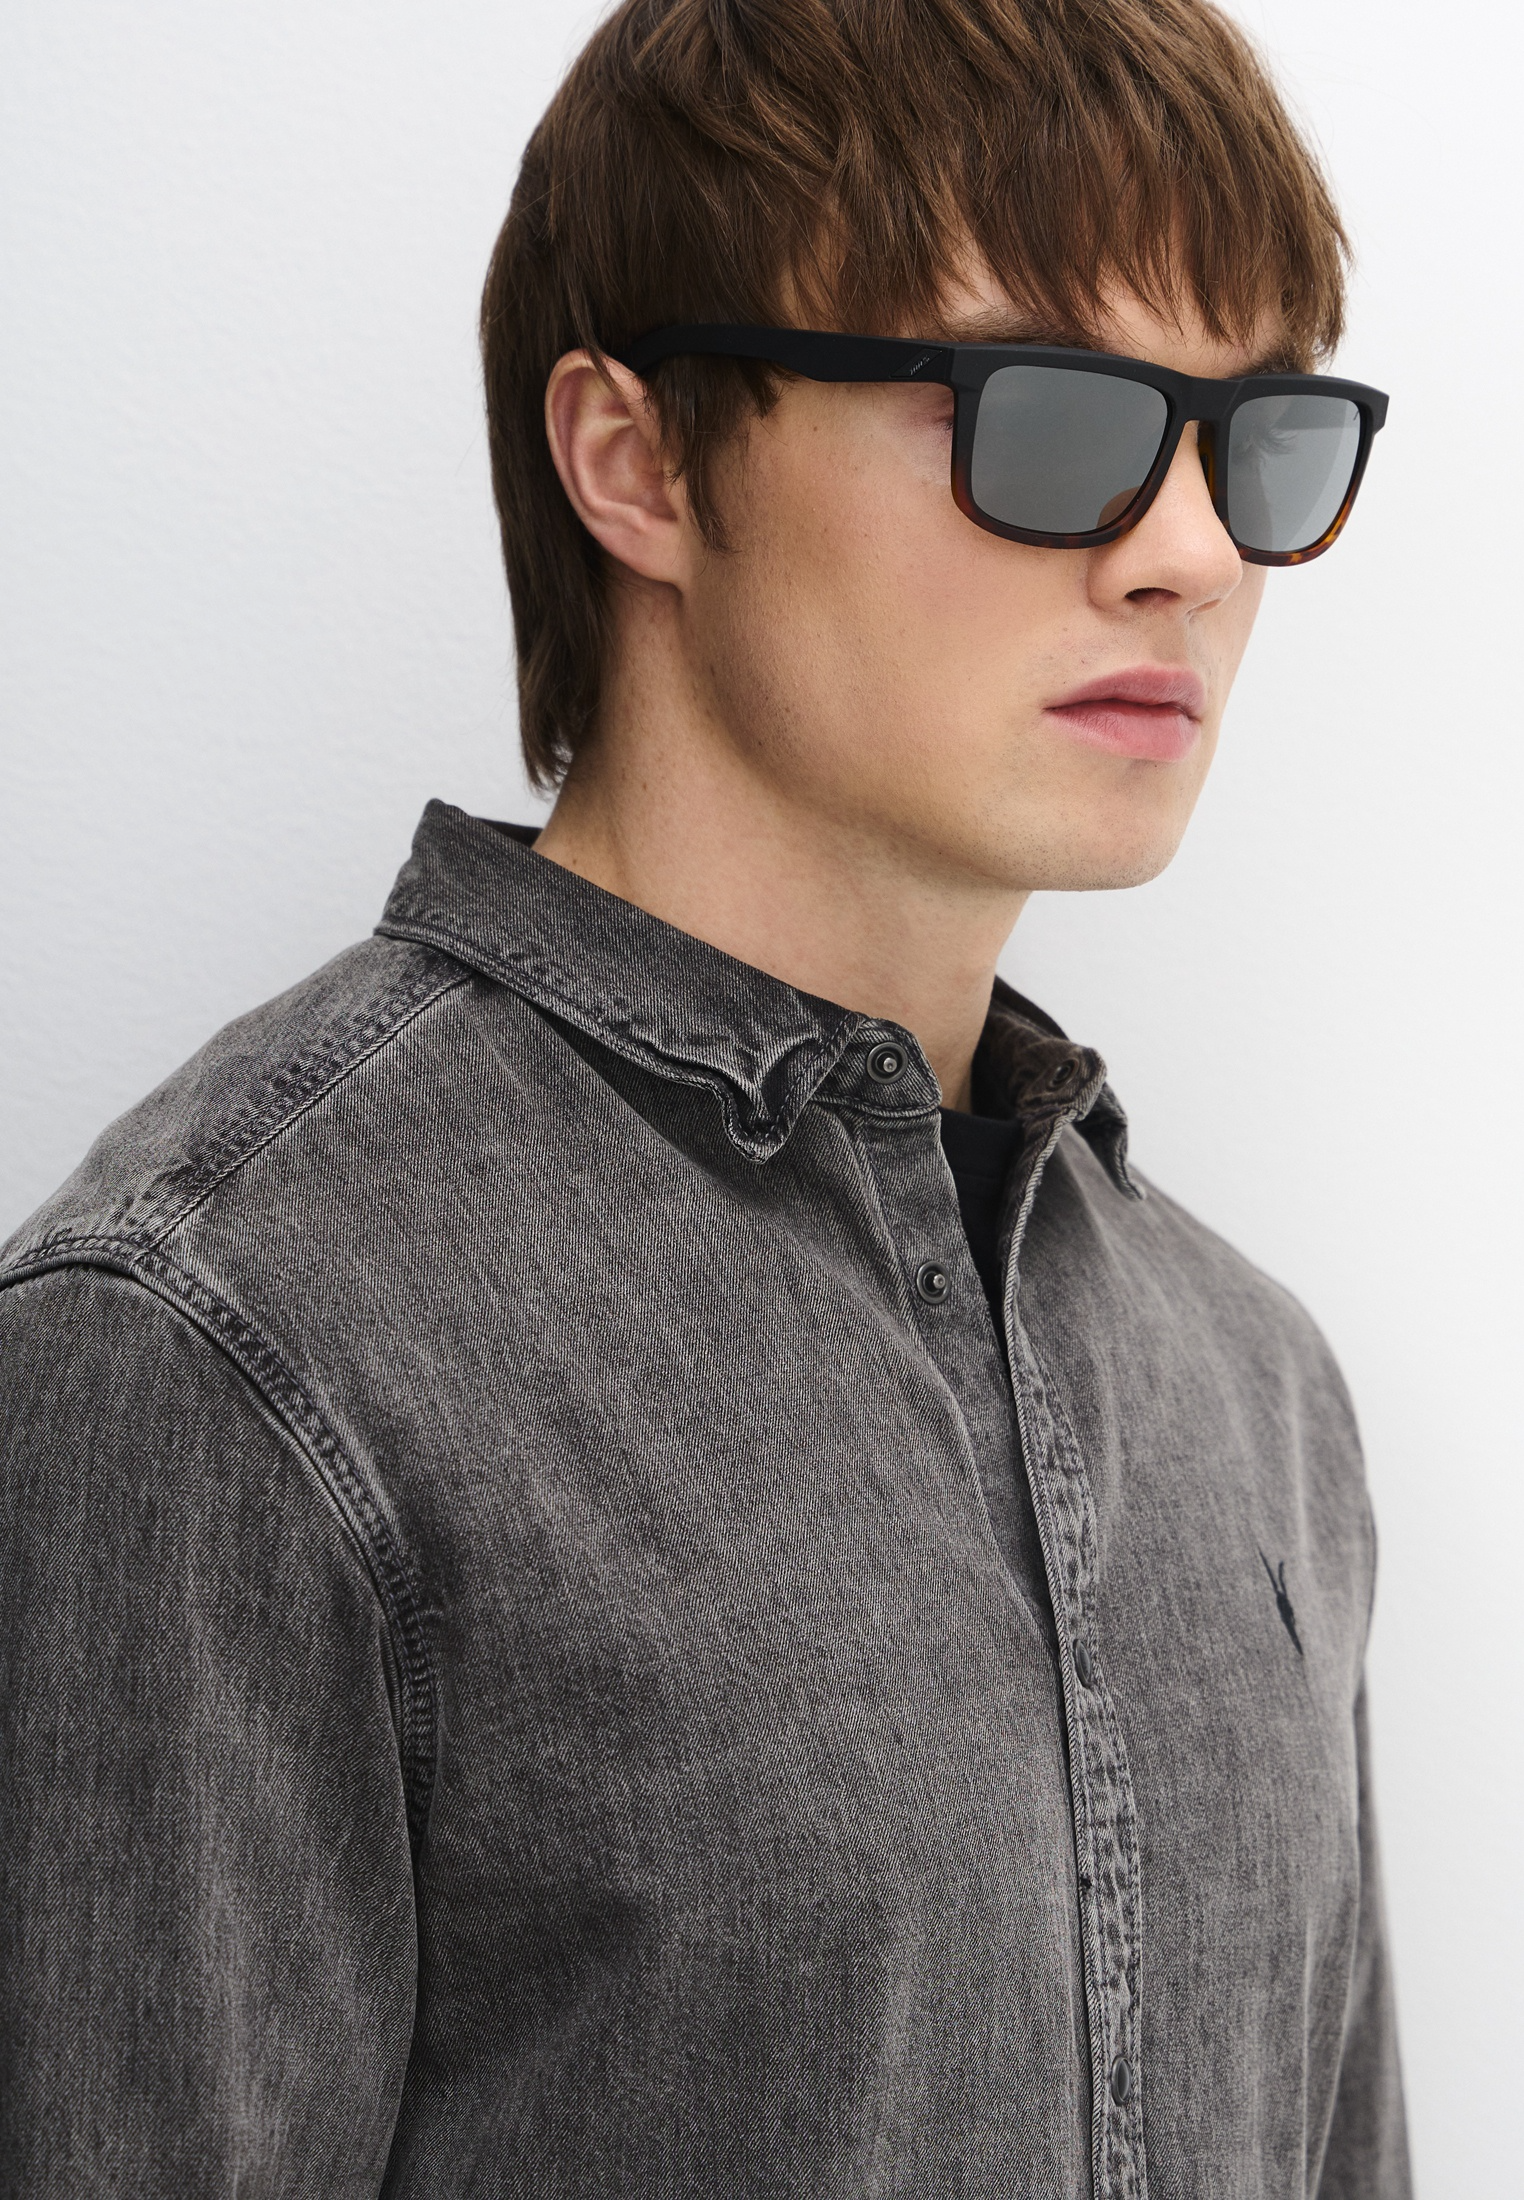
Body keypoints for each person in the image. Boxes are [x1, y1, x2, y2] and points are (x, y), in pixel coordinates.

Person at [0, 0, 1409, 2192]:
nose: (1196, 556)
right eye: (1052, 420)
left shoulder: (1254, 1389)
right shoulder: (221, 1348)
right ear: (639, 461)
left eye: (1261, 440)